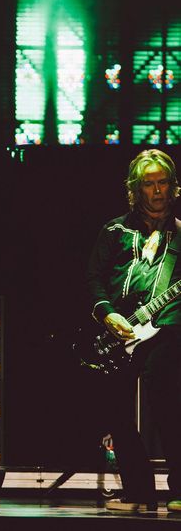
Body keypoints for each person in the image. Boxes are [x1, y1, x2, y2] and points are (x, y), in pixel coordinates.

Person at [87, 148, 181, 514]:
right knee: (114, 409)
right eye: (148, 184)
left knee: (168, 402)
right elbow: (93, 279)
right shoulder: (114, 230)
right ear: (136, 189)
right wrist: (107, 313)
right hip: (120, 330)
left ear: (173, 187)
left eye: (162, 183)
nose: (156, 191)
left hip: (170, 326)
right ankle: (139, 492)